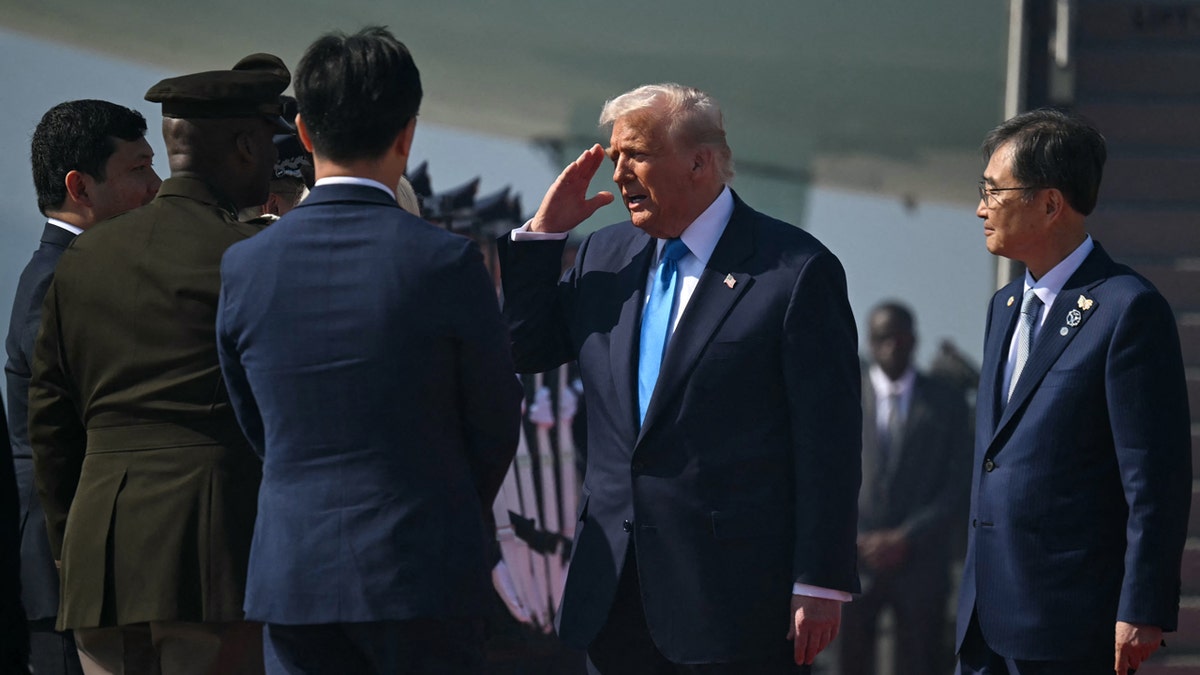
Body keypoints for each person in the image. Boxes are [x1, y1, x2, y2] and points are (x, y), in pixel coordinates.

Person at [498, 83, 862, 674]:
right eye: (614, 157)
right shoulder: (603, 255)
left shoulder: (792, 271)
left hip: (729, 600)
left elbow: (829, 441)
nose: (619, 174)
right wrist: (543, 236)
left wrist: (821, 579)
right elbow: (526, 347)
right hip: (612, 589)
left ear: (699, 161)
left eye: (635, 154)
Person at [215, 28, 522, 675]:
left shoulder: (245, 266)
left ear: (302, 132)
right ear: (407, 135)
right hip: (422, 571)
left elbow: (255, 419)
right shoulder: (446, 262)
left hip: (295, 574)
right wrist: (439, 501)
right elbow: (495, 418)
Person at [27, 55, 291, 675]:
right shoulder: (252, 257)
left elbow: (51, 423)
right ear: (247, 147)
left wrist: (74, 545)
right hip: (212, 560)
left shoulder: (83, 259)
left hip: (99, 561)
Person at [956, 108, 1192, 675]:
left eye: (994, 190)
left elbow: (1154, 477)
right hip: (985, 619)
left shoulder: (1126, 309)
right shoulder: (1005, 307)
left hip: (1068, 623)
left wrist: (1143, 605)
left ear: (1050, 203)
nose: (981, 207)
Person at [5, 100, 161, 675]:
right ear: (81, 187)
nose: (157, 185)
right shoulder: (56, 283)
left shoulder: (72, 273)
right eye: (138, 169)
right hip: (60, 570)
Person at [838, 301, 969, 675]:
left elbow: (957, 485)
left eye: (899, 337)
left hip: (920, 563)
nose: (891, 346)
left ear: (913, 340)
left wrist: (906, 537)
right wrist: (855, 539)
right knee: (848, 661)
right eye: (881, 338)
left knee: (919, 663)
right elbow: (825, 475)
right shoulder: (844, 398)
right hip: (854, 562)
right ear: (869, 341)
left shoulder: (945, 402)